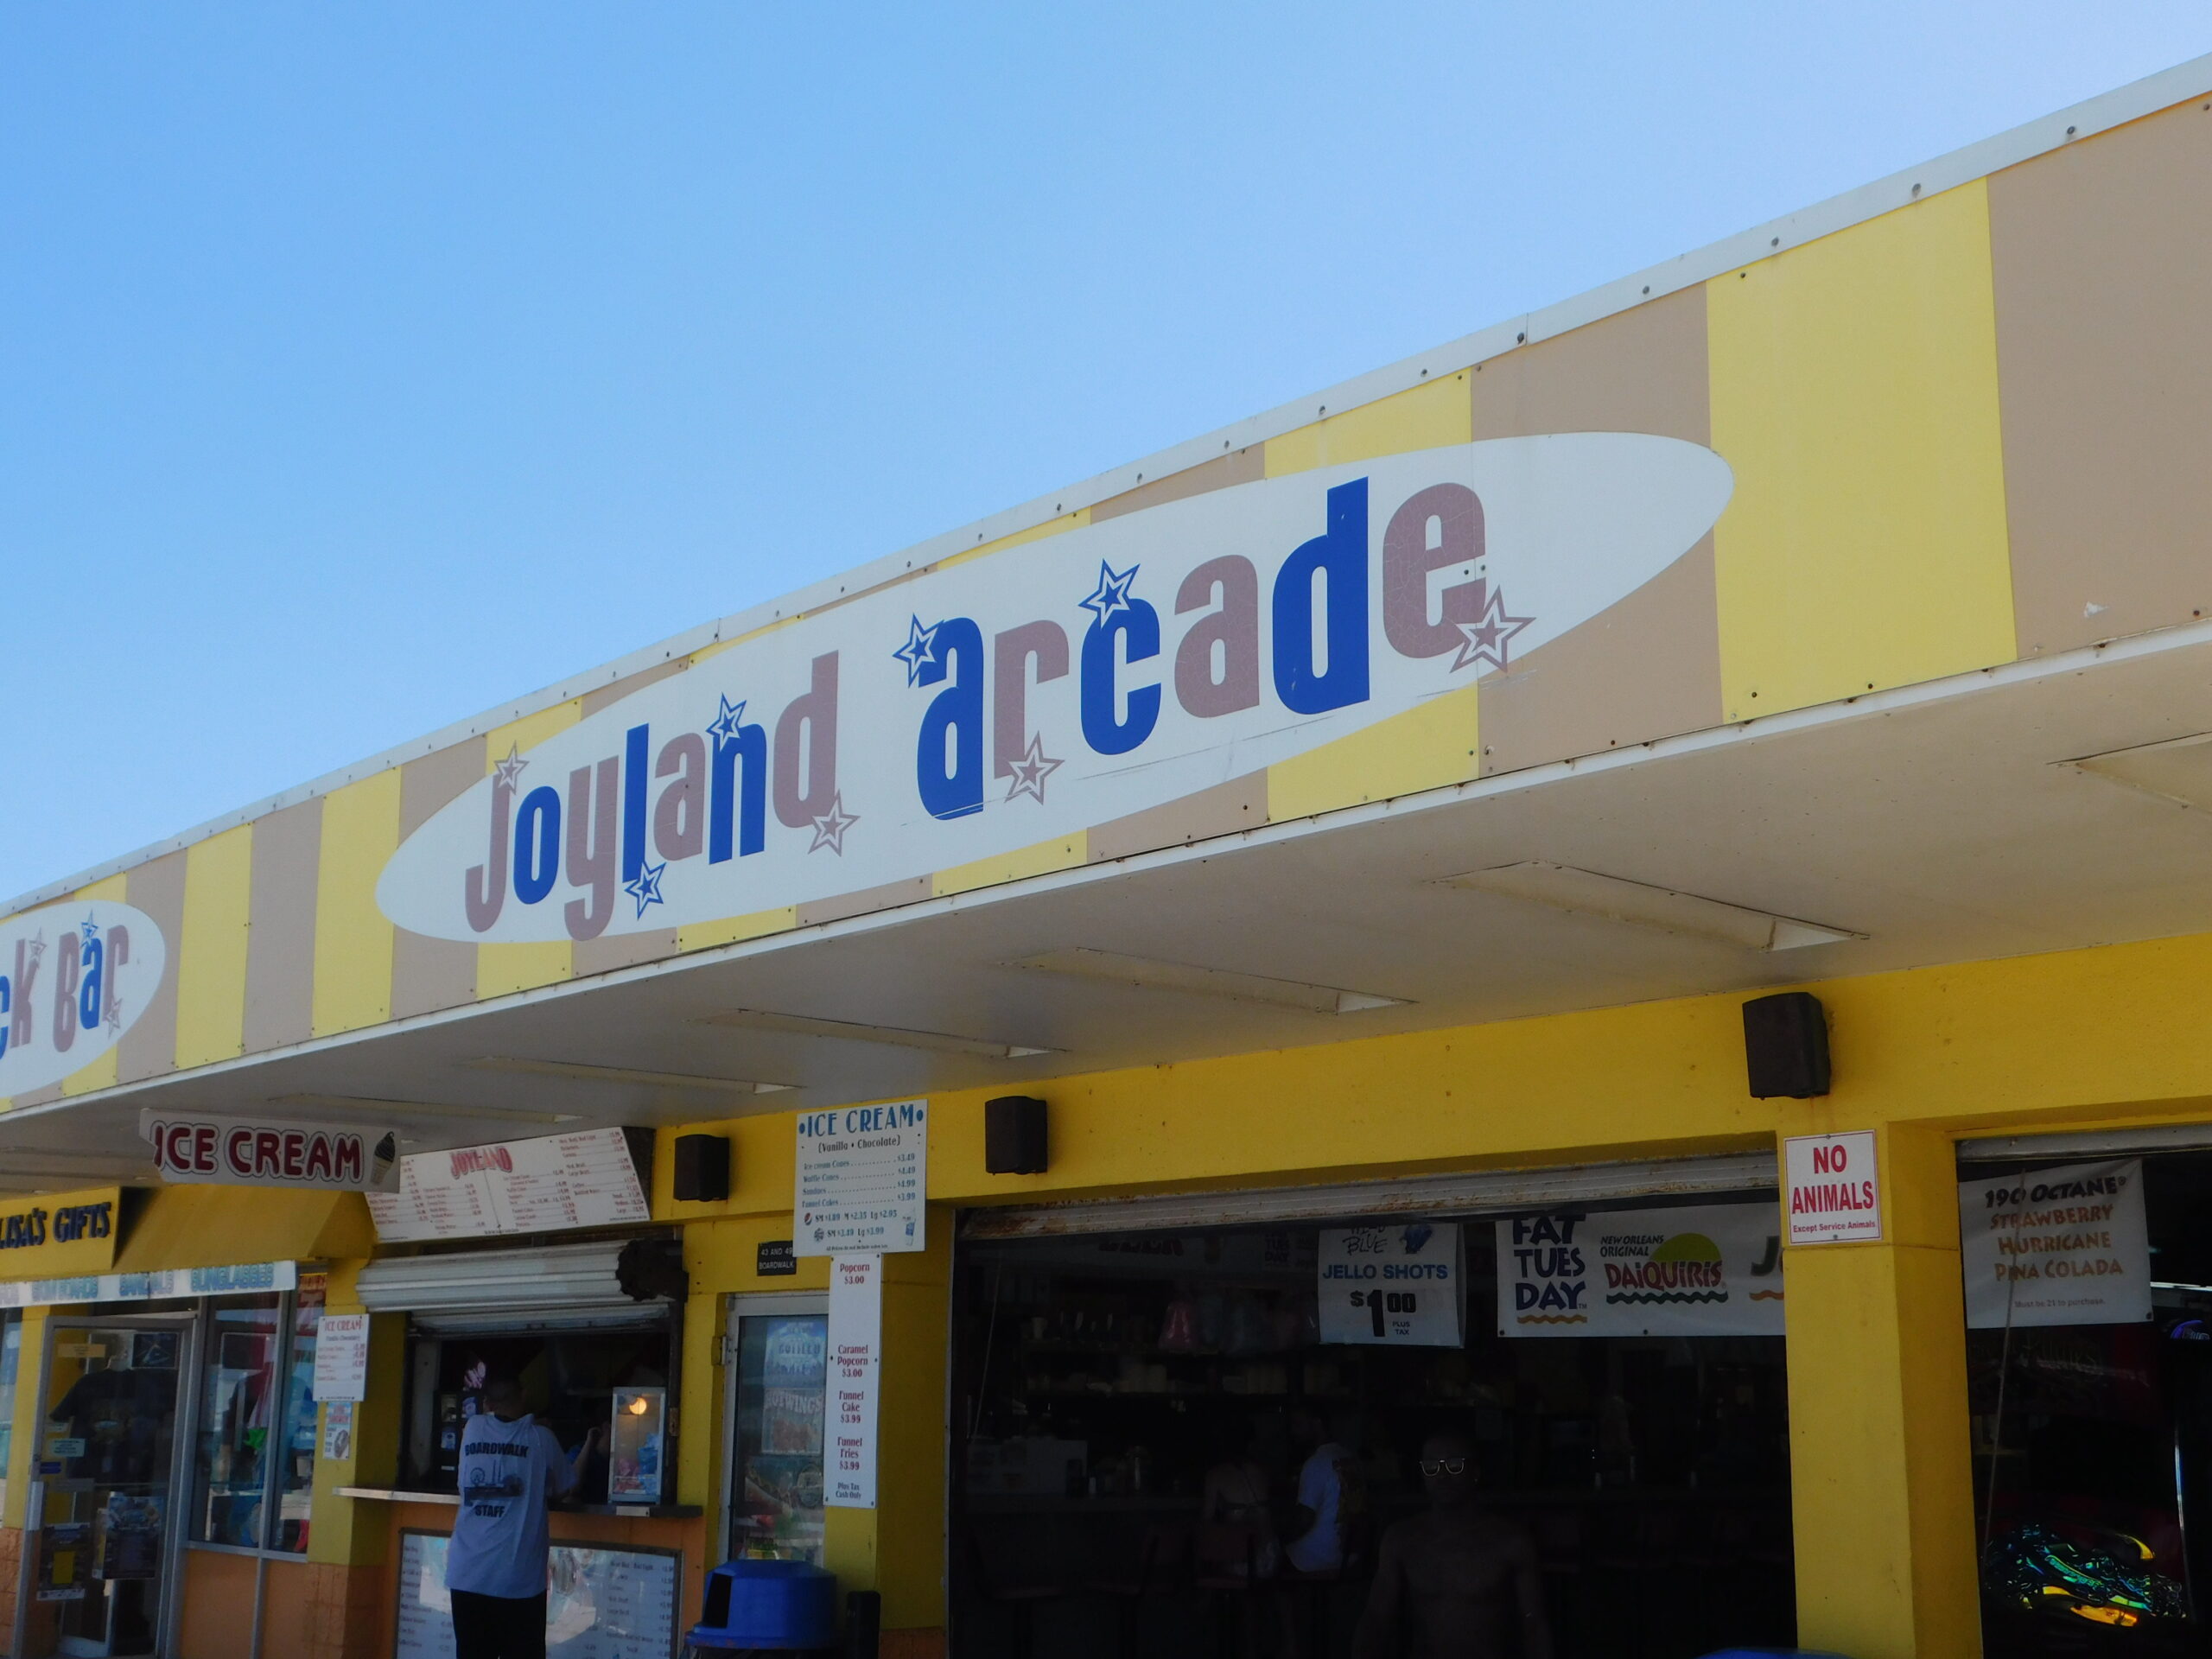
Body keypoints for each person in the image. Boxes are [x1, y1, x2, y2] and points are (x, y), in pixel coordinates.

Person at [1354, 1433, 1550, 1659]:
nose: (1442, 1475)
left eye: (1454, 1465)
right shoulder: (1402, 1538)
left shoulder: (1510, 1540)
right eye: (1432, 1467)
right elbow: (1376, 1616)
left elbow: (1534, 1623)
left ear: (1475, 1472)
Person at [445, 1376, 601, 1659]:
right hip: (518, 1579)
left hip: (467, 1575)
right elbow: (567, 1486)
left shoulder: (472, 1429)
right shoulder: (541, 1439)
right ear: (524, 1395)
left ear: (487, 1404)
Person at [1284, 1408, 1357, 1576]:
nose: (1293, 1431)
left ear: (1317, 1423)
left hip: (1316, 1558)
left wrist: (1280, 1537)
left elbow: (1304, 1521)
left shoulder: (1316, 1463)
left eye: (1298, 1424)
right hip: (1349, 1555)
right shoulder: (1349, 1457)